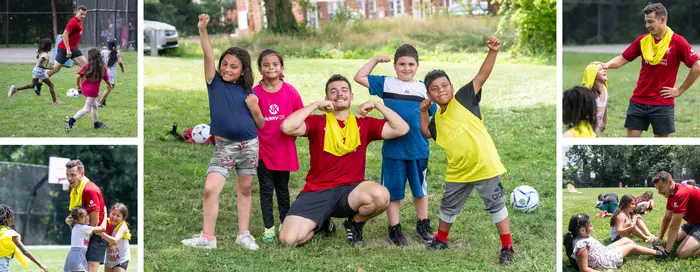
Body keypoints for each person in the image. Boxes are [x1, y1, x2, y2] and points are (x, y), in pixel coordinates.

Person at [278, 74, 409, 248]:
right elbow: (287, 127)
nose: (340, 94)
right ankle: (322, 222)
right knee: (288, 240)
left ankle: (354, 223)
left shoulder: (364, 124)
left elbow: (402, 128)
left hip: (350, 193)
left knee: (381, 195)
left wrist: (377, 104)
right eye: (333, 91)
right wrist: (314, 105)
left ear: (351, 96)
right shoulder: (317, 122)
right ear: (327, 99)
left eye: (344, 90)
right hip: (317, 191)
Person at [418, 36, 514, 264]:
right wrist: (423, 112)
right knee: (448, 206)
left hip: (484, 165)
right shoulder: (437, 119)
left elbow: (482, 75)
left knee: (496, 206)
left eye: (444, 86)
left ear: (452, 87)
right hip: (458, 171)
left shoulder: (463, 98)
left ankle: (507, 247)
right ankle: (441, 240)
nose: (441, 90)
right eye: (434, 89)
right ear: (429, 95)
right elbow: (427, 133)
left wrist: (492, 52)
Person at [181, 14, 264, 251]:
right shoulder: (214, 83)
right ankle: (208, 238)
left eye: (233, 66)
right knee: (210, 188)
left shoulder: (249, 92)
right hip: (224, 147)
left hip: (249, 145)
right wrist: (203, 30)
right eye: (225, 64)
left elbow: (262, 125)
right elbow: (208, 54)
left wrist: (255, 108)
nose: (227, 69)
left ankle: (243, 234)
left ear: (242, 70)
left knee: (245, 189)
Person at [353, 44, 437, 246]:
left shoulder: (425, 89)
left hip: (418, 149)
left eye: (410, 64)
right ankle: (394, 229)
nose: (406, 68)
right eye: (402, 64)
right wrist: (374, 60)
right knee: (393, 192)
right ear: (395, 66)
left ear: (417, 66)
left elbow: (433, 119)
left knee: (420, 191)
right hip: (393, 150)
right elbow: (359, 77)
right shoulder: (386, 84)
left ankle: (423, 225)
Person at [597, 3, 700, 137]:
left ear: (662, 20)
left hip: (662, 103)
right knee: (630, 145)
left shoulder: (678, 42)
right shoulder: (643, 41)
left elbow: (697, 66)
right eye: (646, 22)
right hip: (638, 101)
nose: (647, 25)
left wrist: (679, 90)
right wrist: (606, 65)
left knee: (659, 147)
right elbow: (622, 58)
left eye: (650, 22)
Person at [253, 49, 304, 242]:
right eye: (266, 65)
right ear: (260, 69)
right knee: (266, 189)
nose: (270, 67)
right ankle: (268, 228)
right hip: (262, 151)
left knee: (282, 189)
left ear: (281, 67)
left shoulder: (290, 91)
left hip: (284, 150)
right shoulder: (255, 94)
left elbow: (300, 116)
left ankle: (285, 222)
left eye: (274, 64)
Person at [564, 213, 665, 271]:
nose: (592, 227)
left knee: (626, 240)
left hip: (604, 252)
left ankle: (649, 248)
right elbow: (584, 269)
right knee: (631, 246)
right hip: (605, 261)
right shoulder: (581, 245)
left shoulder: (580, 238)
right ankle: (658, 252)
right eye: (590, 225)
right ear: (582, 230)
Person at [64, 159, 107, 272]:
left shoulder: (89, 190)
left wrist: (82, 233)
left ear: (82, 174)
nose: (69, 179)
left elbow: (94, 222)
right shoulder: (74, 189)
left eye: (73, 175)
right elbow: (76, 214)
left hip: (95, 235)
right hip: (86, 234)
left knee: (90, 269)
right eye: (67, 175)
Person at [652, 171, 700, 258]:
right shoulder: (671, 194)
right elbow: (667, 217)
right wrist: (660, 237)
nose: (659, 192)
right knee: (676, 238)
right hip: (694, 222)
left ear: (669, 182)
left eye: (660, 188)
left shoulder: (681, 193)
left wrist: (667, 251)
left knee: (682, 253)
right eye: (657, 189)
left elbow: (674, 226)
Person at [43, 5, 89, 93]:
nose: (83, 16)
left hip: (74, 49)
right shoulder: (73, 22)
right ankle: (39, 78)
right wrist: (68, 49)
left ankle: (80, 89)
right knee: (55, 69)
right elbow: (64, 34)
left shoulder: (80, 22)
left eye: (84, 14)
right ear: (76, 12)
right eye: (81, 14)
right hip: (64, 49)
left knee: (86, 67)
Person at [66, 49, 113, 132]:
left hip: (85, 89)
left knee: (95, 106)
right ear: (99, 57)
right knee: (87, 109)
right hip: (93, 91)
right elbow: (107, 80)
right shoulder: (102, 67)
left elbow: (78, 76)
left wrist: (78, 86)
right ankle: (72, 120)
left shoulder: (86, 66)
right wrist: (110, 85)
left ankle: (96, 124)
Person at [7, 38, 62, 104]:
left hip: (36, 71)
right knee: (51, 85)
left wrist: (48, 66)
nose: (51, 47)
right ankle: (55, 101)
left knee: (32, 85)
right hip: (39, 72)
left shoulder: (42, 53)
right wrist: (48, 68)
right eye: (51, 45)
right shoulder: (45, 55)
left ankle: (15, 89)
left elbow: (40, 63)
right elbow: (40, 64)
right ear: (48, 46)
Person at [0, 204, 48, 272]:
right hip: (2, 264)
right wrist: (39, 264)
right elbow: (24, 251)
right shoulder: (11, 234)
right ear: (7, 217)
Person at [64, 207, 105, 272]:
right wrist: (104, 214)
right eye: (83, 217)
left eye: (87, 215)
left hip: (74, 254)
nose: (86, 218)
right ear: (77, 220)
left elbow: (68, 220)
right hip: (78, 255)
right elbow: (102, 229)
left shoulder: (75, 226)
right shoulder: (83, 227)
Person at [99, 203, 131, 272]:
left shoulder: (123, 226)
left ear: (123, 218)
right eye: (113, 214)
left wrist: (101, 233)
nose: (114, 217)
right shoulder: (106, 223)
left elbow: (115, 241)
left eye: (118, 216)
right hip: (109, 260)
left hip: (121, 259)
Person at [581, 63, 609, 133]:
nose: (604, 70)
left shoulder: (604, 89)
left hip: (593, 130)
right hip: (583, 131)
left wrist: (604, 122)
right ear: (592, 75)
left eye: (604, 69)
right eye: (600, 69)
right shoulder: (587, 92)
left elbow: (604, 106)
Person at [98, 39, 125, 108]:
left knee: (111, 86)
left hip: (103, 71)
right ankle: (100, 102)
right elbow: (120, 62)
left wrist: (103, 64)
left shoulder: (103, 52)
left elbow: (99, 59)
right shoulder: (117, 52)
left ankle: (103, 99)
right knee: (109, 88)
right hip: (111, 73)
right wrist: (122, 69)